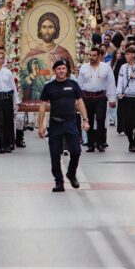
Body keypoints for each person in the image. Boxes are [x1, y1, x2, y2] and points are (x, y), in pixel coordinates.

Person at [37, 59, 91, 192]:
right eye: (59, 69)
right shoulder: (49, 87)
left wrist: (85, 119)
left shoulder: (73, 84)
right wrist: (41, 126)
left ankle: (71, 174)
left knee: (76, 151)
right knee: (55, 154)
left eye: (63, 69)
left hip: (71, 122)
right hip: (55, 124)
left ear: (67, 70)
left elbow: (80, 102)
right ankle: (59, 182)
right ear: (54, 71)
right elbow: (42, 107)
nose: (61, 71)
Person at [77, 47, 116, 153]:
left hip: (100, 97)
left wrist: (112, 99)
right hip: (87, 97)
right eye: (90, 55)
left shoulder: (106, 68)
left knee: (100, 119)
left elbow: (111, 83)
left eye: (94, 55)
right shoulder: (84, 68)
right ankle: (90, 144)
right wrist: (77, 99)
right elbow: (79, 84)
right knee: (88, 119)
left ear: (99, 56)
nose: (91, 57)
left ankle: (100, 143)